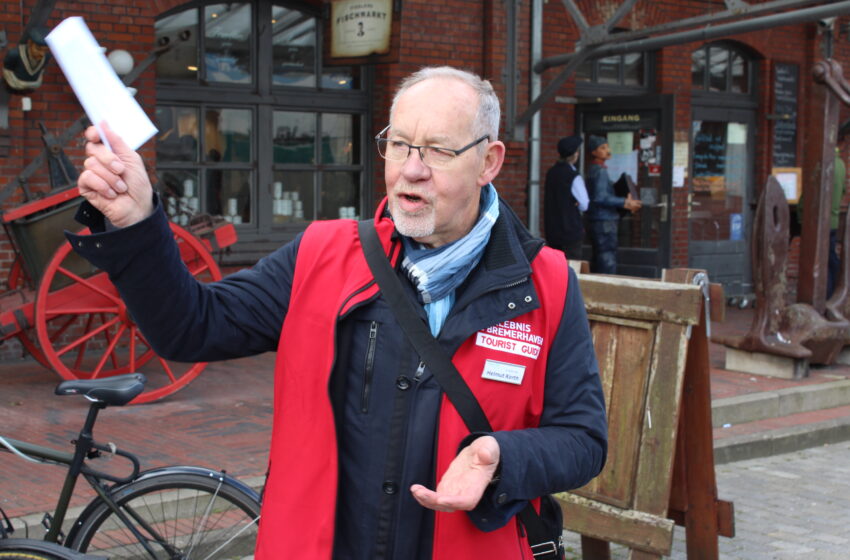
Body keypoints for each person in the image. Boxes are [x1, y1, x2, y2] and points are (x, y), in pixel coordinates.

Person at [71, 66, 607, 559]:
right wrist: (138, 223)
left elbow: (583, 441)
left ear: (488, 161)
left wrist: (503, 457)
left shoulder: (546, 283)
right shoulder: (322, 254)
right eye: (398, 145)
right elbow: (190, 327)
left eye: (437, 151)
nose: (410, 170)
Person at [585, 134, 642, 274]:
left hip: (599, 219)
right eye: (602, 148)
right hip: (604, 221)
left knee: (600, 256)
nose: (608, 150)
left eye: (607, 146)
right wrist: (625, 202)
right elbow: (601, 197)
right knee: (607, 257)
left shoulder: (594, 170)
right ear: (594, 152)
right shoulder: (600, 172)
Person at [543, 135, 588, 260]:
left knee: (556, 267)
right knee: (572, 269)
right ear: (575, 154)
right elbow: (585, 204)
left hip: (552, 231)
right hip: (571, 231)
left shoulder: (551, 173)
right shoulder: (573, 176)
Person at [2, 26, 51, 92]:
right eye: (38, 49)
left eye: (45, 50)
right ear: (30, 44)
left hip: (33, 85)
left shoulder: (47, 57)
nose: (42, 54)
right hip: (15, 84)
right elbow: (7, 70)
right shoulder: (14, 54)